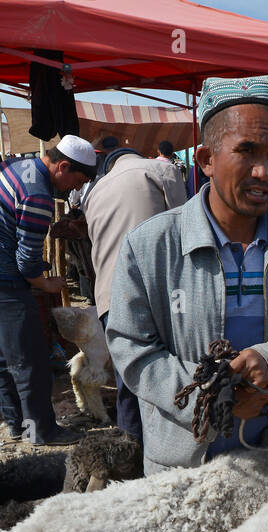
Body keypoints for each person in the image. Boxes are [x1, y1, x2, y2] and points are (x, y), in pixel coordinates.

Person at [106, 74, 268, 473]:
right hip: (182, 465)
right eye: (247, 151)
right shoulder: (150, 247)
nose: (265, 171)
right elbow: (132, 348)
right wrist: (214, 397)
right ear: (206, 160)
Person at [0, 133, 96, 446]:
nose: (77, 187)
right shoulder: (38, 196)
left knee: (1, 357)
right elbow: (27, 261)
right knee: (30, 361)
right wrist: (45, 282)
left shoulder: (14, 165)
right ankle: (42, 432)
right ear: (62, 166)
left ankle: (17, 426)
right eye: (79, 179)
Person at [84, 133, 188, 443]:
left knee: (127, 382)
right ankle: (168, 451)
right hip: (156, 293)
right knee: (167, 377)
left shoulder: (94, 191)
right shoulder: (162, 171)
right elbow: (185, 227)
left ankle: (130, 456)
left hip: (109, 297)